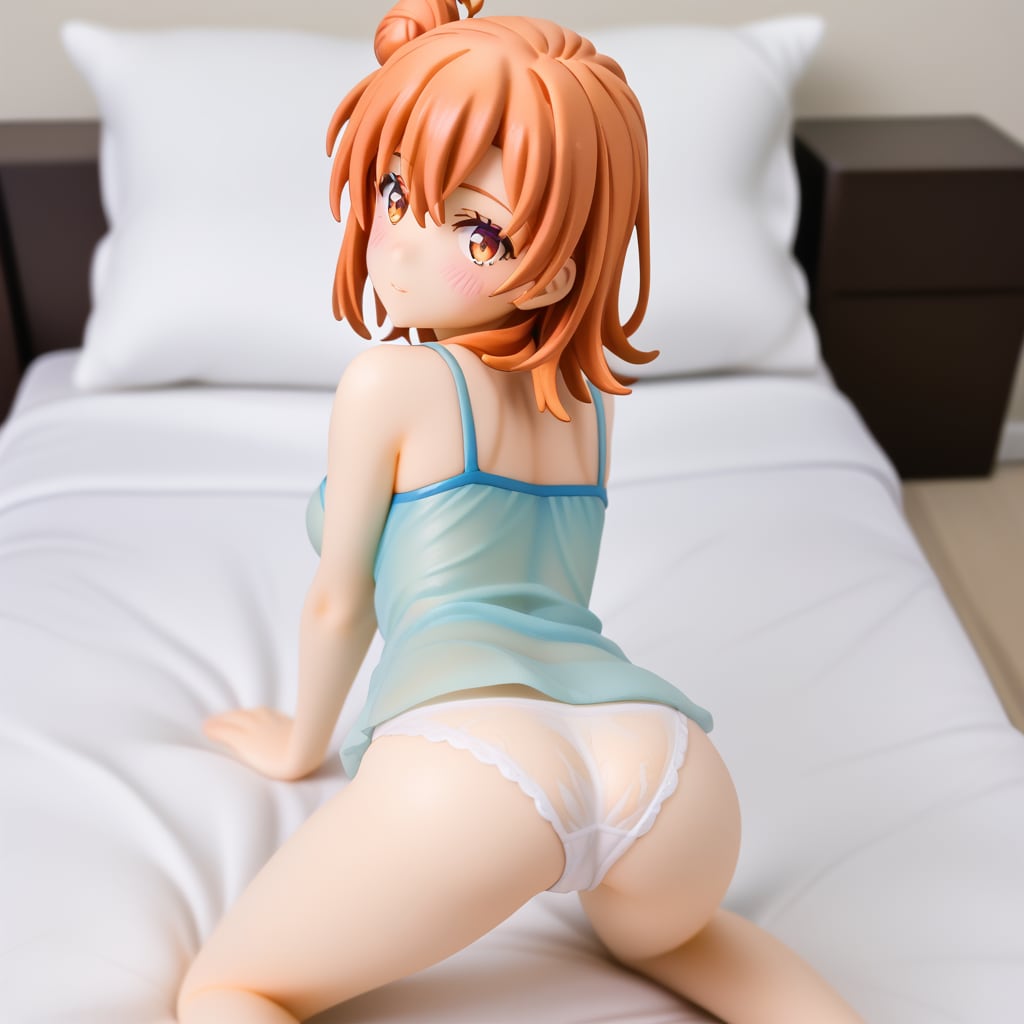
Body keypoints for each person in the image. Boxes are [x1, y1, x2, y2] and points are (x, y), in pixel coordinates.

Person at [177, 2, 866, 1021]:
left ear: (554, 271)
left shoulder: (388, 383)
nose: (400, 246)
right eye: (397, 192)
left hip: (474, 775)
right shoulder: (587, 399)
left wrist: (298, 743)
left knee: (228, 987)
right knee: (684, 939)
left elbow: (340, 601)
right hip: (668, 768)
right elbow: (554, 583)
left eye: (476, 227)